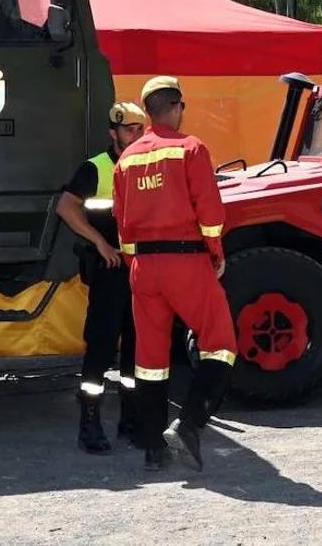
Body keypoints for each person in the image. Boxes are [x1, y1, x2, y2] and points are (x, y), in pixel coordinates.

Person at [113, 76, 237, 472]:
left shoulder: (127, 158)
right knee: (220, 343)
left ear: (148, 113)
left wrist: (137, 264)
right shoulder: (190, 148)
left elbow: (121, 221)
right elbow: (211, 212)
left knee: (150, 359)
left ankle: (153, 447)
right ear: (178, 106)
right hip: (185, 261)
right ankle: (189, 423)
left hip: (143, 268)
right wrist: (215, 253)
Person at [56, 101, 146, 454]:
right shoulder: (96, 168)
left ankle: (130, 419)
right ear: (113, 133)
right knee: (101, 348)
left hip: (141, 272)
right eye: (128, 130)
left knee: (137, 351)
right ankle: (89, 424)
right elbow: (66, 207)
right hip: (110, 271)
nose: (135, 136)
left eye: (140, 130)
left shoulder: (148, 164)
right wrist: (100, 242)